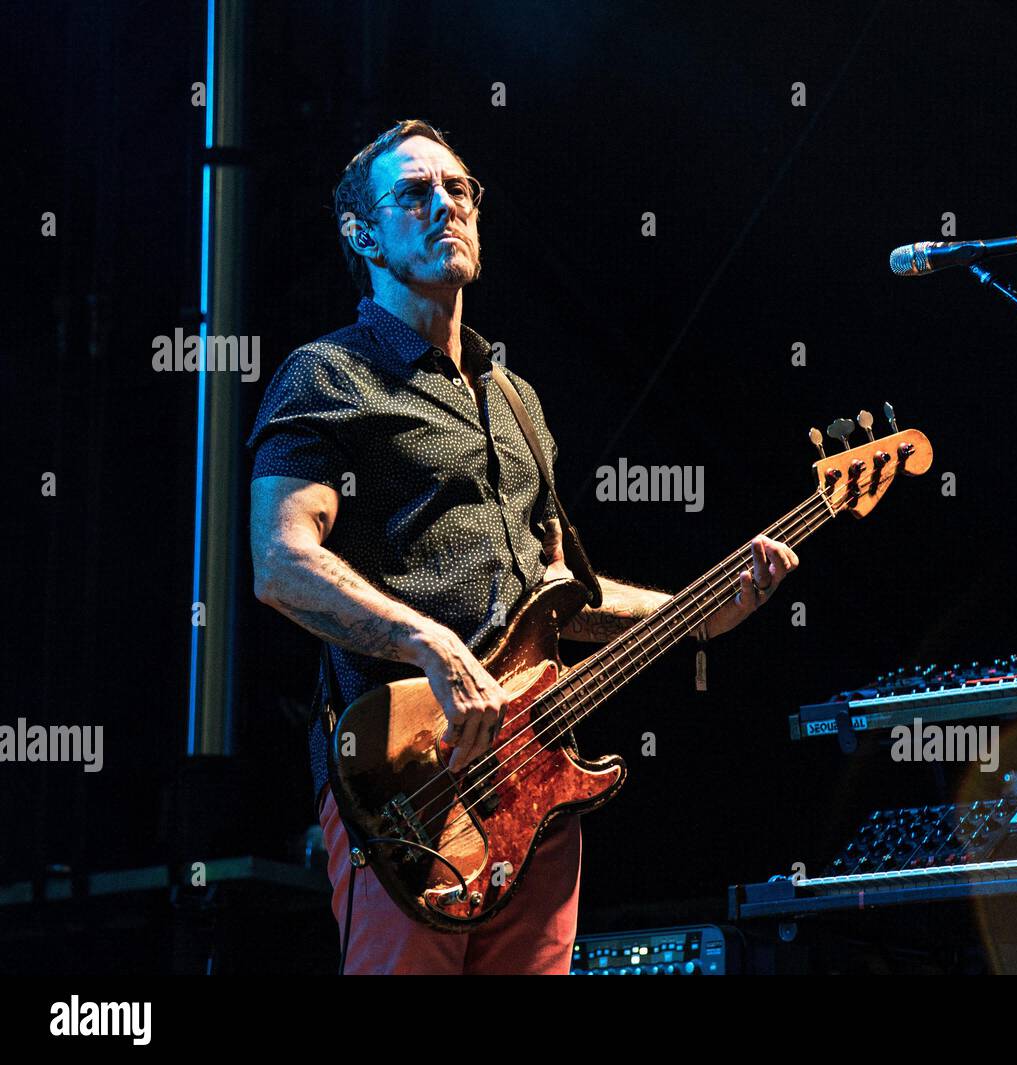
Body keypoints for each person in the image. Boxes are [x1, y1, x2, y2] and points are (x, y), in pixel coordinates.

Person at [246, 119, 798, 974]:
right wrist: (428, 643)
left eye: (459, 190)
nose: (446, 207)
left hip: (536, 786)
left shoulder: (514, 397)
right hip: (409, 784)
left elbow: (559, 593)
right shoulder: (329, 374)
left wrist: (701, 612)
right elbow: (280, 563)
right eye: (415, 194)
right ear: (362, 233)